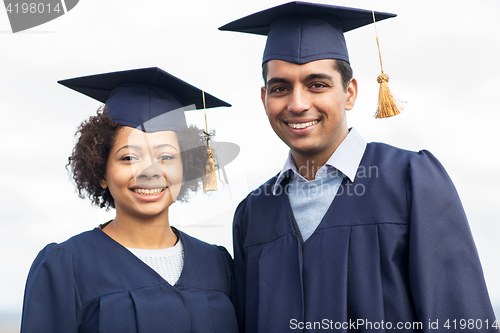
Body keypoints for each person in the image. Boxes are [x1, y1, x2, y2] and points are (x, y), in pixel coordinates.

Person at [220, 2, 497, 332]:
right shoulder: (253, 214)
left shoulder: (410, 180)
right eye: (281, 88)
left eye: (317, 84)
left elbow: (459, 318)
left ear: (349, 93)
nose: (297, 104)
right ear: (265, 98)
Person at [20, 67, 239, 332]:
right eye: (129, 157)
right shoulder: (65, 266)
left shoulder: (217, 264)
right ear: (101, 171)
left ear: (188, 168)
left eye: (166, 157)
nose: (149, 171)